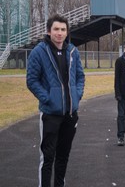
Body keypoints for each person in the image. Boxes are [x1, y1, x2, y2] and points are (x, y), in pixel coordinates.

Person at [26, 14, 85, 187]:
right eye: (56, 29)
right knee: (48, 157)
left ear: (67, 32)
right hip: (50, 115)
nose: (59, 33)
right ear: (49, 31)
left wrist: (77, 94)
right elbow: (32, 81)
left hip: (70, 114)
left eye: (63, 29)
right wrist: (48, 99)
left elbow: (80, 77)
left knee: (63, 156)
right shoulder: (39, 52)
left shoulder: (73, 51)